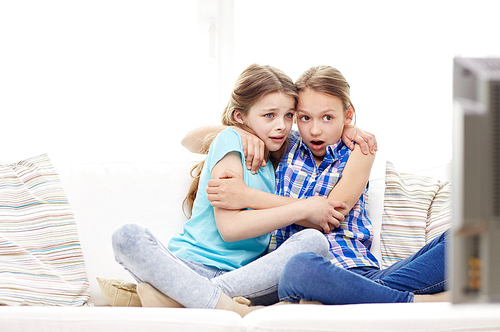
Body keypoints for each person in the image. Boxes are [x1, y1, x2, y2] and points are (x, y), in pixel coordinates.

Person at [198, 65, 449, 305]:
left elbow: (327, 215)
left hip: (358, 270)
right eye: (305, 118)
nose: (315, 130)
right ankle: (414, 302)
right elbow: (190, 140)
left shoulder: (359, 151)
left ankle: (373, 296)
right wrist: (238, 130)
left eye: (328, 117)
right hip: (300, 274)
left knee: (463, 239)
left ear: (348, 114)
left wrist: (248, 197)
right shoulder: (284, 144)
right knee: (301, 267)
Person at [111, 64, 347, 317]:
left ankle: (188, 299)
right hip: (190, 268)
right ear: (239, 116)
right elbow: (230, 229)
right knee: (127, 236)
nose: (281, 125)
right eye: (269, 115)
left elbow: (321, 131)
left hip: (245, 279)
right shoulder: (232, 140)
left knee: (314, 242)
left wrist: (349, 131)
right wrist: (303, 207)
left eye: (289, 115)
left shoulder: (279, 152)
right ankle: (231, 308)